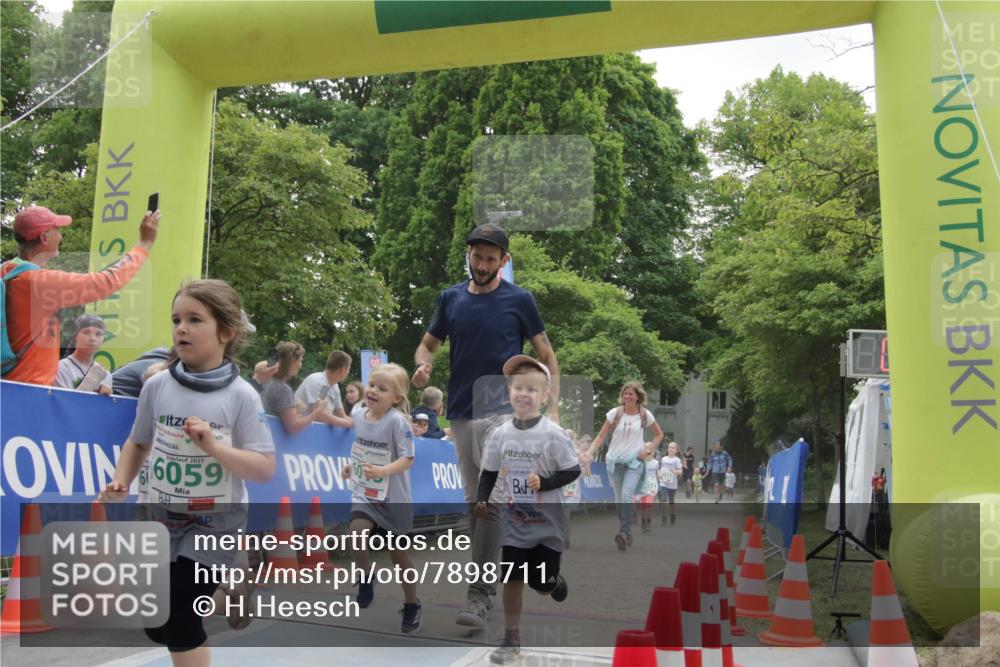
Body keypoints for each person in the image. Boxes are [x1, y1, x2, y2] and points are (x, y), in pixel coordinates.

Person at [100, 279, 276, 665]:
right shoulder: (157, 385)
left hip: (216, 522)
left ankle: (215, 589)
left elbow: (264, 467)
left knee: (179, 620)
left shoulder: (241, 395)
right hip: (159, 516)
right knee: (156, 623)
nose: (181, 328)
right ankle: (228, 591)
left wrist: (213, 447)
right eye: (176, 319)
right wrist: (121, 479)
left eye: (195, 319)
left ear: (226, 332)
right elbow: (139, 441)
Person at [411, 222, 559, 627]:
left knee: (488, 501)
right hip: (460, 412)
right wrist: (424, 363)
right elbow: (428, 342)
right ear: (469, 255)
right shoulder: (451, 299)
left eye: (490, 259)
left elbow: (545, 352)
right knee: (477, 506)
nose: (482, 264)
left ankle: (479, 596)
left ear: (503, 261)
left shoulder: (520, 300)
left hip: (502, 412)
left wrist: (554, 407)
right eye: (477, 257)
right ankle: (535, 555)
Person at [474, 355, 579, 664]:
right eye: (518, 388)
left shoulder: (552, 435)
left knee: (541, 581)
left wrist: (545, 483)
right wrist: (482, 499)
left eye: (531, 390)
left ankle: (554, 583)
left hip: (547, 523)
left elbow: (572, 471)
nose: (523, 394)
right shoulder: (500, 434)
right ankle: (511, 639)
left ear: (544, 396)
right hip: (514, 520)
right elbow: (489, 473)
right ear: (509, 392)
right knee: (512, 578)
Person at [2, 205, 159, 385]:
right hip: (30, 389)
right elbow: (105, 282)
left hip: (9, 385)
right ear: (45, 238)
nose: (61, 235)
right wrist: (144, 245)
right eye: (57, 230)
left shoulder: (7, 272)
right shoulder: (38, 281)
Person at [339, 363, 421, 633]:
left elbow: (408, 459)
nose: (373, 391)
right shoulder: (358, 414)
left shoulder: (398, 422)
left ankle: (411, 603)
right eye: (372, 385)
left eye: (382, 388)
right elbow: (363, 450)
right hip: (366, 492)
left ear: (396, 398)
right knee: (356, 533)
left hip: (393, 498)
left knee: (399, 557)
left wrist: (384, 471)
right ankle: (365, 576)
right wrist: (355, 467)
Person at [581, 382, 663, 551]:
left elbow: (659, 435)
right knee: (619, 500)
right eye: (625, 394)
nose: (627, 397)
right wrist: (589, 453)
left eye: (631, 394)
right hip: (615, 462)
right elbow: (601, 436)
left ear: (638, 397)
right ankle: (627, 533)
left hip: (635, 462)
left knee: (627, 494)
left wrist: (648, 449)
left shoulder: (644, 415)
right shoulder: (615, 413)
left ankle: (624, 533)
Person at [260, 342, 326, 434]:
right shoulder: (282, 389)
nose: (300, 365)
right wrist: (318, 412)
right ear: (291, 361)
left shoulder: (270, 383)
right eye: (300, 361)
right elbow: (294, 427)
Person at [54, 314, 113, 394]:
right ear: (75, 336)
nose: (92, 338)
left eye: (98, 334)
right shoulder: (61, 368)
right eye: (86, 332)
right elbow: (65, 404)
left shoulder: (106, 375)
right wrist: (92, 380)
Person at [295, 350, 354, 429]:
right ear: (342, 370)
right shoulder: (321, 383)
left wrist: (357, 424)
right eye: (348, 369)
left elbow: (342, 416)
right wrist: (347, 423)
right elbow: (319, 415)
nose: (348, 373)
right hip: (301, 432)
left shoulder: (333, 385)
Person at [658, 442, 683, 525]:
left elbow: (680, 471)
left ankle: (672, 515)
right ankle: (664, 517)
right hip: (663, 482)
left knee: (671, 501)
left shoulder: (677, 460)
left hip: (672, 483)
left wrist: (674, 471)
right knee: (663, 499)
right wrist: (660, 474)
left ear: (676, 450)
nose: (671, 449)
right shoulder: (664, 458)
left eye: (673, 448)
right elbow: (661, 469)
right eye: (669, 447)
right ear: (667, 449)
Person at [637, 446, 660, 534]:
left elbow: (657, 472)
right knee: (642, 506)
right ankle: (643, 522)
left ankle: (649, 521)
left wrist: (660, 477)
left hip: (652, 485)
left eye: (651, 450)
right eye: (647, 450)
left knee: (648, 504)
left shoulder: (656, 463)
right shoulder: (641, 462)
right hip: (643, 485)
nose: (649, 452)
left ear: (654, 452)